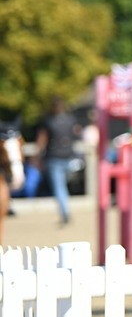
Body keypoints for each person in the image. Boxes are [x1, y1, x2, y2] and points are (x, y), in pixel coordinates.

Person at [35, 96, 80, 226]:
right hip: (69, 156)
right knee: (64, 186)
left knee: (60, 188)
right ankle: (65, 211)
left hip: (54, 158)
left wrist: (37, 156)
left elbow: (41, 141)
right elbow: (76, 134)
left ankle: (65, 213)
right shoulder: (71, 120)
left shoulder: (48, 121)